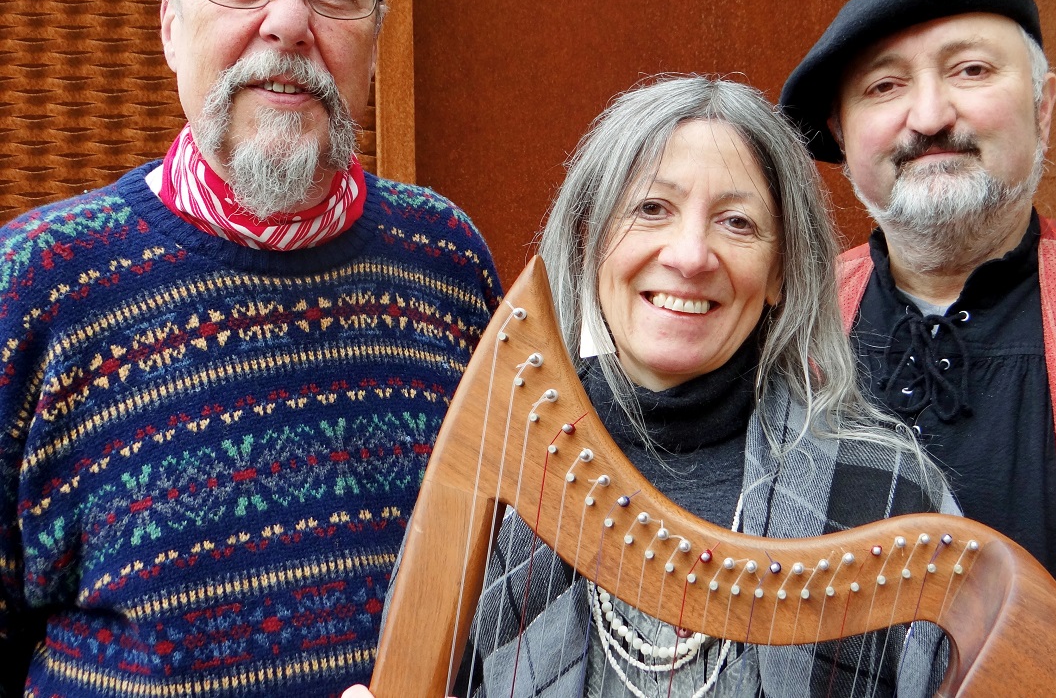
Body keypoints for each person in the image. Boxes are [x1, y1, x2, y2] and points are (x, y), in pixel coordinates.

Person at [0, 0, 500, 697]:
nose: (289, 23)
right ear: (168, 23)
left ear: (375, 41)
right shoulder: (35, 281)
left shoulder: (445, 260)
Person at [355, 75, 958, 698]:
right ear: (590, 241)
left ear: (780, 272)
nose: (691, 255)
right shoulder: (497, 481)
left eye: (737, 223)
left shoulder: (887, 491)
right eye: (651, 209)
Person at [778, 0, 1056, 698]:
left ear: (1043, 105)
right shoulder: (789, 328)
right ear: (843, 135)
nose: (931, 116)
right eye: (885, 86)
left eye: (970, 71)